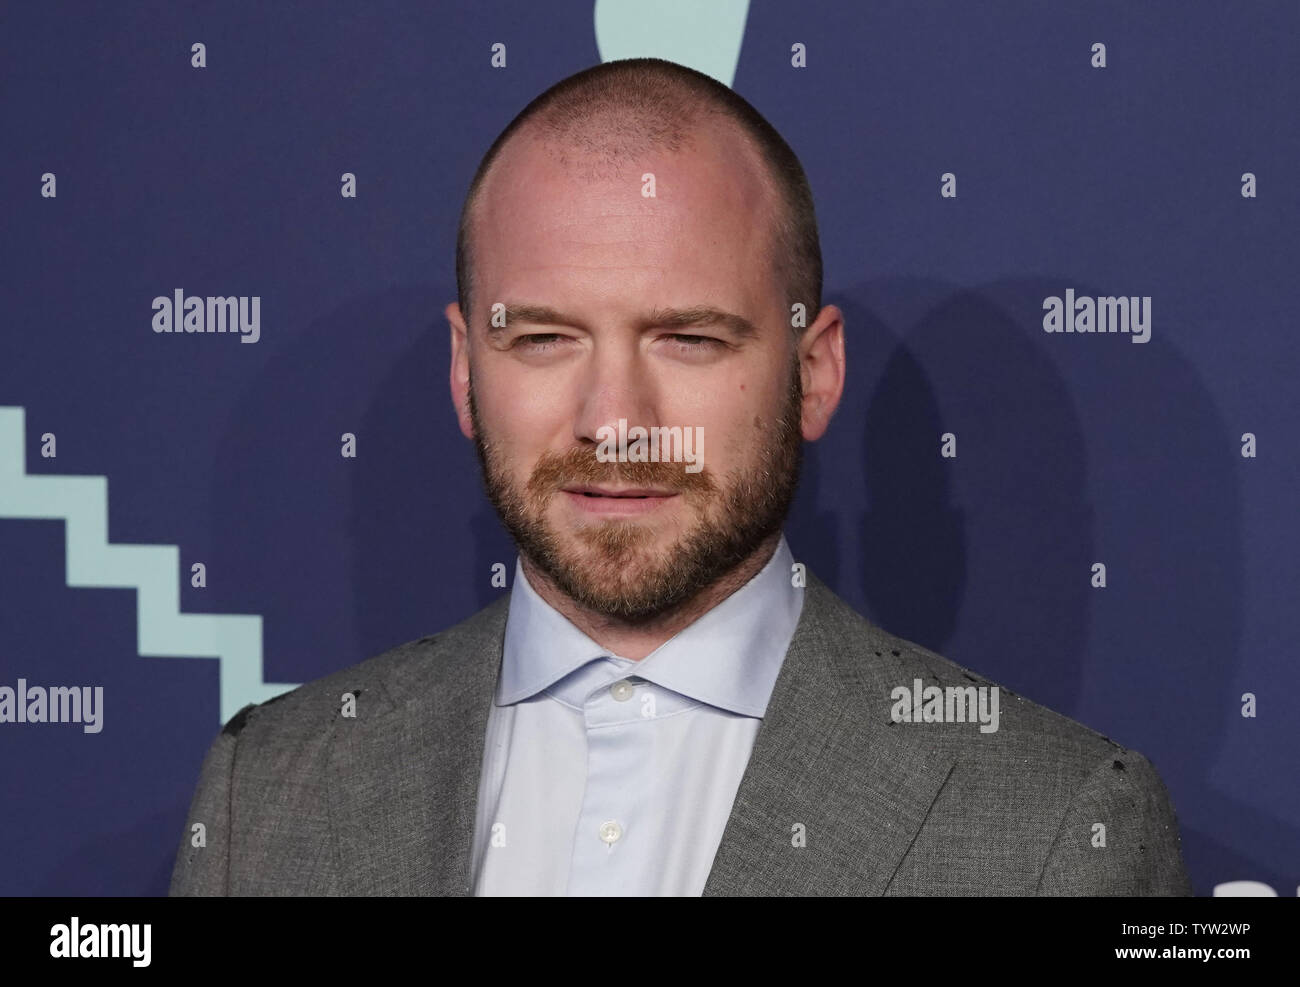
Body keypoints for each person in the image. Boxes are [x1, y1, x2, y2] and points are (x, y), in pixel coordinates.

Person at [170, 57, 1191, 896]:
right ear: (463, 371)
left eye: (690, 339)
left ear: (812, 371)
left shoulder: (1057, 828)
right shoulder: (267, 791)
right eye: (543, 339)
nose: (615, 421)